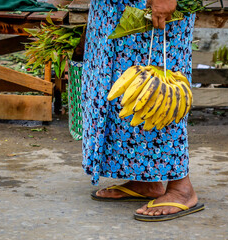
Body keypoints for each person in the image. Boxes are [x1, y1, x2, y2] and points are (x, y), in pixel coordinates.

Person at [81, 0, 204, 221]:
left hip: (149, 7)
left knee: (158, 95)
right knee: (123, 93)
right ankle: (146, 180)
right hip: (114, 12)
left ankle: (181, 188)